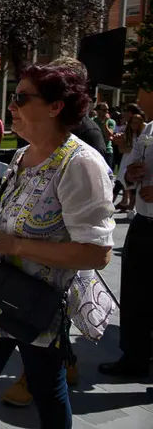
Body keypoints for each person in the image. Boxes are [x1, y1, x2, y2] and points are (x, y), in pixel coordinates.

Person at [0, 64, 116, 429]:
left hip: (40, 305)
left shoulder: (81, 164)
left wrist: (13, 245)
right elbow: (8, 222)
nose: (11, 106)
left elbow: (96, 253)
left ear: (55, 106)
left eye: (21, 97)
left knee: (47, 389)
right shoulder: (23, 155)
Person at [100, 109, 153, 379]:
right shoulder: (150, 130)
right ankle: (135, 357)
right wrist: (130, 175)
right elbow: (129, 169)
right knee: (135, 294)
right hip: (145, 221)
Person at [112, 113, 145, 218]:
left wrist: (131, 149)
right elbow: (122, 149)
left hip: (136, 162)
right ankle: (109, 206)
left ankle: (131, 208)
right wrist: (119, 142)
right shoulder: (128, 134)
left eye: (136, 122)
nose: (134, 125)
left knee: (134, 186)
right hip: (126, 161)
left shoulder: (144, 135)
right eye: (132, 122)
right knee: (120, 183)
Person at [93, 102, 116, 169]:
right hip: (96, 150)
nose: (107, 112)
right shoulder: (93, 121)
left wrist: (105, 123)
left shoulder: (111, 121)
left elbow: (108, 136)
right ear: (97, 111)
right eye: (104, 110)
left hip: (107, 151)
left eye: (107, 110)